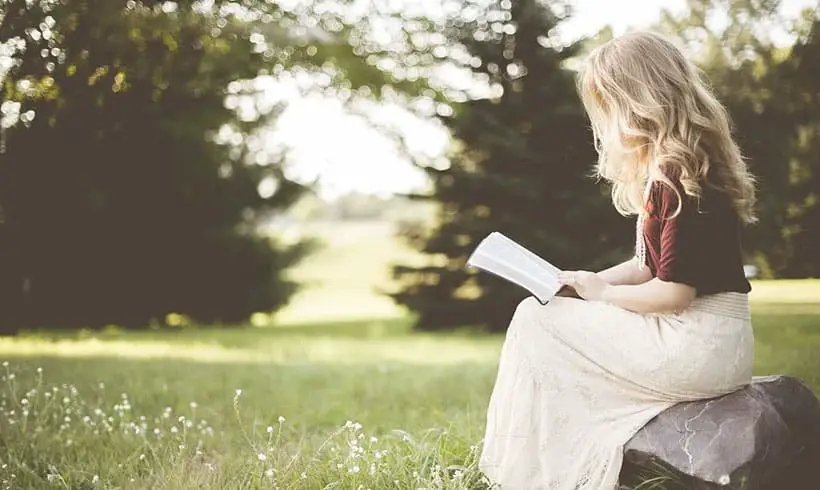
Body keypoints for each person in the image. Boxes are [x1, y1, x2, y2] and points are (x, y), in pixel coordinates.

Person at [478, 30, 758, 490]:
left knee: (534, 320)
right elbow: (647, 267)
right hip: (714, 341)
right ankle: (538, 466)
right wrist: (583, 282)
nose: (606, 122)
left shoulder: (676, 174)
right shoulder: (682, 165)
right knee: (547, 312)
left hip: (697, 343)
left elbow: (674, 293)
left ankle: (528, 472)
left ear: (638, 101)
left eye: (609, 106)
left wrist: (604, 295)